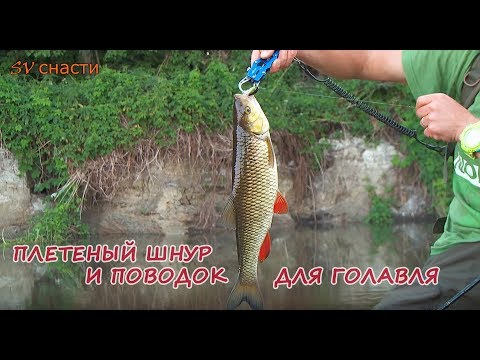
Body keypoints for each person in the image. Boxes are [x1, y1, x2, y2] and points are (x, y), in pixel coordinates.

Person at [251, 50, 480, 309]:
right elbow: (367, 59)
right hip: (459, 248)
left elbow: (468, 130)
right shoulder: (467, 60)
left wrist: (469, 130)